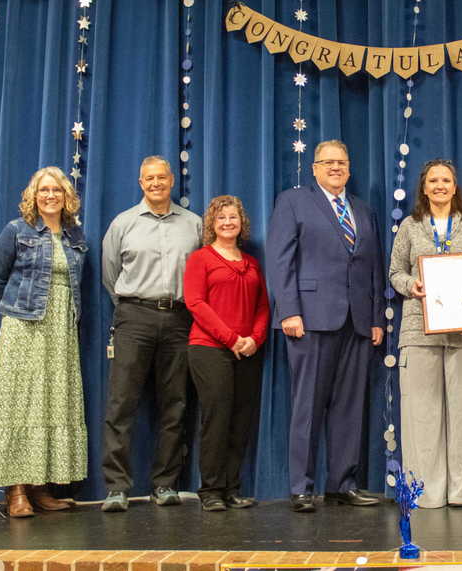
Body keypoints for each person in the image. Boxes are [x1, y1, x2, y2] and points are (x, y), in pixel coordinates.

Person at [266, 139, 385, 513]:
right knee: (308, 406)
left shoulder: (362, 209)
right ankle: (301, 487)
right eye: (328, 162)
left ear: (349, 168)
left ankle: (342, 485)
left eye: (342, 162)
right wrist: (288, 311)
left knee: (350, 408)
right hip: (310, 319)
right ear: (314, 167)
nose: (336, 167)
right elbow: (280, 260)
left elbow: (373, 267)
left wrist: (376, 318)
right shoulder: (293, 201)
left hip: (357, 322)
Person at [389, 159, 462, 508]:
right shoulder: (410, 226)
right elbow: (395, 272)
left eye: (446, 180)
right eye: (433, 180)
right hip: (420, 333)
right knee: (422, 415)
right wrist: (412, 285)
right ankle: (425, 494)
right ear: (423, 187)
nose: (439, 186)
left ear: (454, 186)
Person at [100, 156, 202, 512]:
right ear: (140, 183)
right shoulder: (123, 223)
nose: (156, 183)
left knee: (175, 404)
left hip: (179, 318)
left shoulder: (193, 224)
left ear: (172, 180)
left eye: (161, 177)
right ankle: (116, 487)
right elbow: (110, 274)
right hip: (134, 317)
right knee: (121, 403)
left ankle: (165, 484)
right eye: (149, 178)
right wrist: (132, 306)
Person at [0, 166, 88, 517]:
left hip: (61, 328)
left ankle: (40, 486)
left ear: (66, 197)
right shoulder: (17, 230)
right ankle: (15, 490)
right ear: (34, 195)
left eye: (57, 190)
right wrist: (19, 311)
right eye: (44, 190)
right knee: (20, 402)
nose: (50, 196)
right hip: (25, 326)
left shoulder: (74, 235)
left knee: (51, 402)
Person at [183, 195, 269, 512]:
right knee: (217, 418)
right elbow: (195, 303)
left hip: (247, 351)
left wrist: (255, 339)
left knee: (240, 420)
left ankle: (232, 488)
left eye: (233, 217)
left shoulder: (253, 263)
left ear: (241, 222)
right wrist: (231, 338)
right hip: (209, 349)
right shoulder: (200, 259)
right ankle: (211, 490)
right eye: (221, 218)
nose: (228, 222)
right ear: (212, 224)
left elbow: (263, 307)